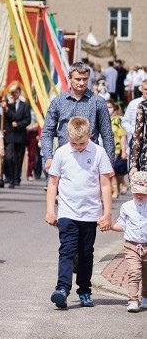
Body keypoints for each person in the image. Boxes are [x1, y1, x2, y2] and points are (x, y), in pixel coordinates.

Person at [45, 116, 113, 309]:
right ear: (67, 137)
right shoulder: (62, 153)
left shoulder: (99, 153)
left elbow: (105, 184)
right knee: (66, 250)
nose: (78, 147)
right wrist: (51, 210)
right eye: (74, 143)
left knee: (85, 253)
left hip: (90, 213)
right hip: (67, 212)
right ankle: (62, 288)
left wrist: (107, 213)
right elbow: (53, 183)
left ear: (90, 135)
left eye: (81, 143)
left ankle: (84, 290)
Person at [41, 62, 114, 176]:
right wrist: (48, 157)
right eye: (78, 79)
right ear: (69, 78)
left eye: (85, 79)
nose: (82, 83)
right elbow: (47, 132)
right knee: (58, 192)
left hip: (91, 158)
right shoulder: (58, 102)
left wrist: (109, 163)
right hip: (64, 157)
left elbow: (107, 134)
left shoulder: (98, 102)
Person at [109, 172, 147, 312]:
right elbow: (122, 225)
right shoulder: (127, 206)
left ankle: (145, 297)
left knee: (146, 274)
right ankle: (132, 299)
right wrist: (111, 226)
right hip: (132, 246)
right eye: (136, 192)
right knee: (134, 272)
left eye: (143, 193)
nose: (139, 196)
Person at [2, 82, 31, 189]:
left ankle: (16, 178)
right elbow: (6, 117)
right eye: (12, 92)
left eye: (16, 92)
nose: (14, 94)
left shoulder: (25, 106)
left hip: (20, 136)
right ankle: (10, 178)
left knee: (19, 158)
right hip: (9, 136)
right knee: (9, 157)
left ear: (19, 92)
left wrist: (18, 124)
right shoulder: (7, 105)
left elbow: (28, 120)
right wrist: (6, 108)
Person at [108, 99, 129, 198]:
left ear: (115, 109)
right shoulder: (102, 120)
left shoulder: (117, 121)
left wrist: (124, 151)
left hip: (117, 150)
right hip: (106, 149)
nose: (108, 110)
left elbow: (122, 136)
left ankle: (120, 186)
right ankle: (115, 190)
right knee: (111, 172)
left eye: (110, 107)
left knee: (117, 172)